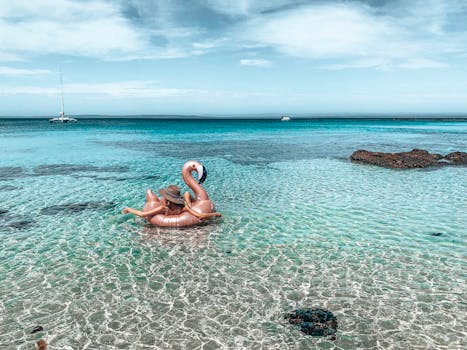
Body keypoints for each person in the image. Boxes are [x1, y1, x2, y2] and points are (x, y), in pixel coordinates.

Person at [122, 185, 221, 220]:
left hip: (181, 205)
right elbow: (201, 216)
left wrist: (128, 209)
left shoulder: (163, 209)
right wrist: (215, 214)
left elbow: (143, 214)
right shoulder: (184, 208)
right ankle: (186, 196)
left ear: (166, 200)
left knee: (187, 197)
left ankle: (186, 195)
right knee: (187, 198)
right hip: (185, 205)